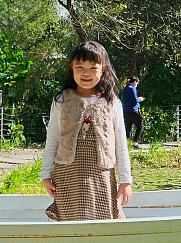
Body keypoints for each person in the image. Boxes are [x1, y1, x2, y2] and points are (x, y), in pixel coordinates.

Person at [40, 41, 132, 221]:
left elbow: (121, 143)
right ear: (72, 68)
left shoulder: (112, 102)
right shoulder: (61, 100)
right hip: (67, 177)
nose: (86, 73)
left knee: (104, 227)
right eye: (80, 67)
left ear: (103, 68)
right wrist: (45, 174)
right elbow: (52, 139)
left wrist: (126, 180)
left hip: (101, 177)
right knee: (69, 228)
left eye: (93, 67)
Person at [121, 76, 145, 147]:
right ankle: (135, 142)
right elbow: (134, 100)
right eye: (137, 83)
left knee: (129, 127)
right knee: (140, 125)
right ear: (135, 82)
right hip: (133, 110)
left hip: (125, 110)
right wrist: (140, 99)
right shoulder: (133, 89)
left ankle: (128, 142)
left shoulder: (125, 89)